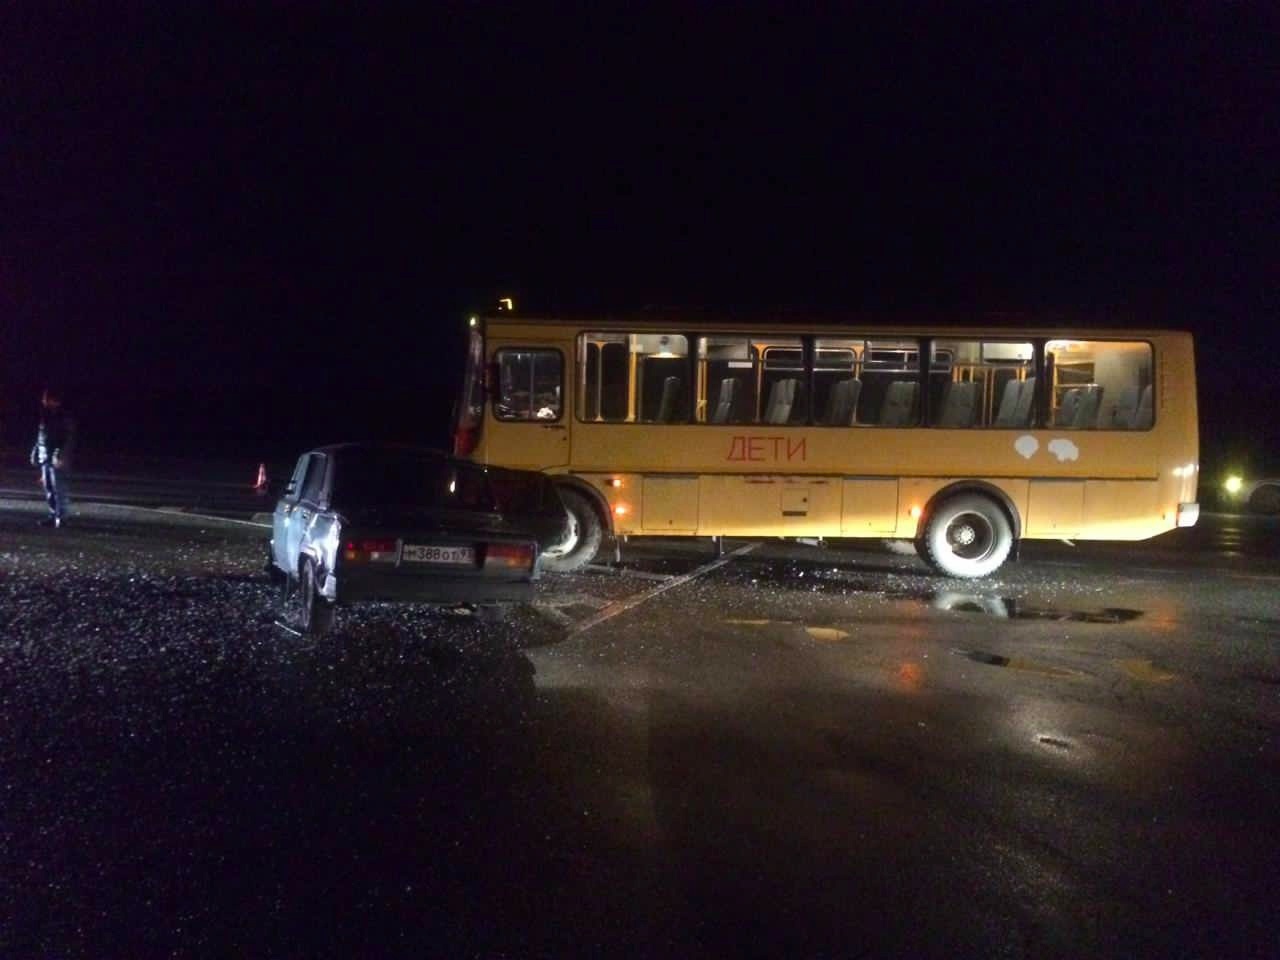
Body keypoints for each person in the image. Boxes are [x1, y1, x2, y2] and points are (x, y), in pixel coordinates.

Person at [30, 387, 75, 527]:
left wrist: (59, 455)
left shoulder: (63, 417)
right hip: (46, 457)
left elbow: (68, 439)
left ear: (54, 401)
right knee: (49, 488)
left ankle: (61, 517)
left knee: (58, 488)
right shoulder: (45, 416)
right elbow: (41, 437)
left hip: (57, 459)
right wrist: (36, 452)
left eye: (46, 399)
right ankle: (53, 514)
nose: (44, 401)